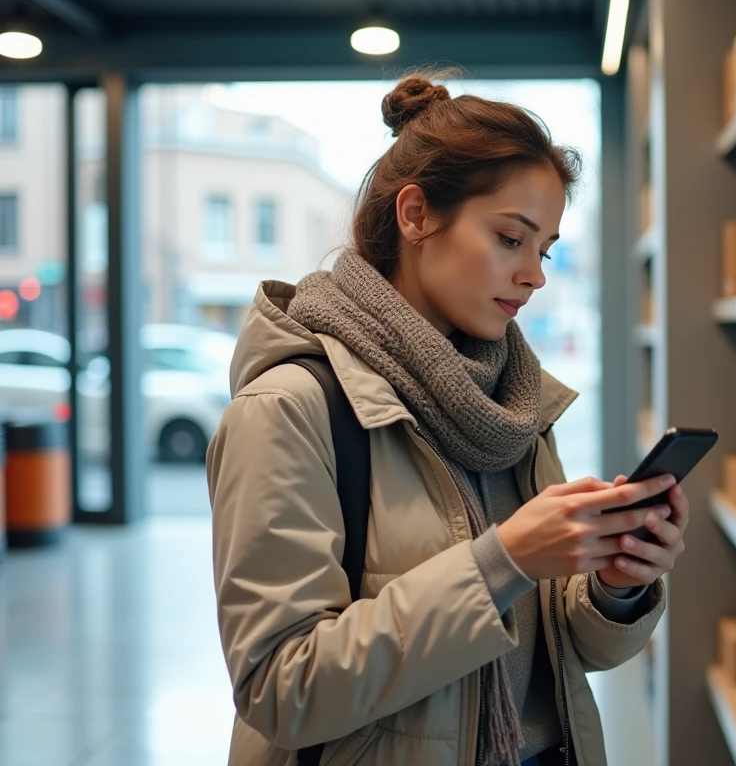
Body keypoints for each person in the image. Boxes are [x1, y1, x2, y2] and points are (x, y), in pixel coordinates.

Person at [207, 73, 690, 766]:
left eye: (545, 249)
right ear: (415, 215)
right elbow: (282, 690)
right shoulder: (288, 409)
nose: (535, 275)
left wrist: (618, 585)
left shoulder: (513, 406)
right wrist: (504, 560)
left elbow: (565, 649)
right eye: (509, 238)